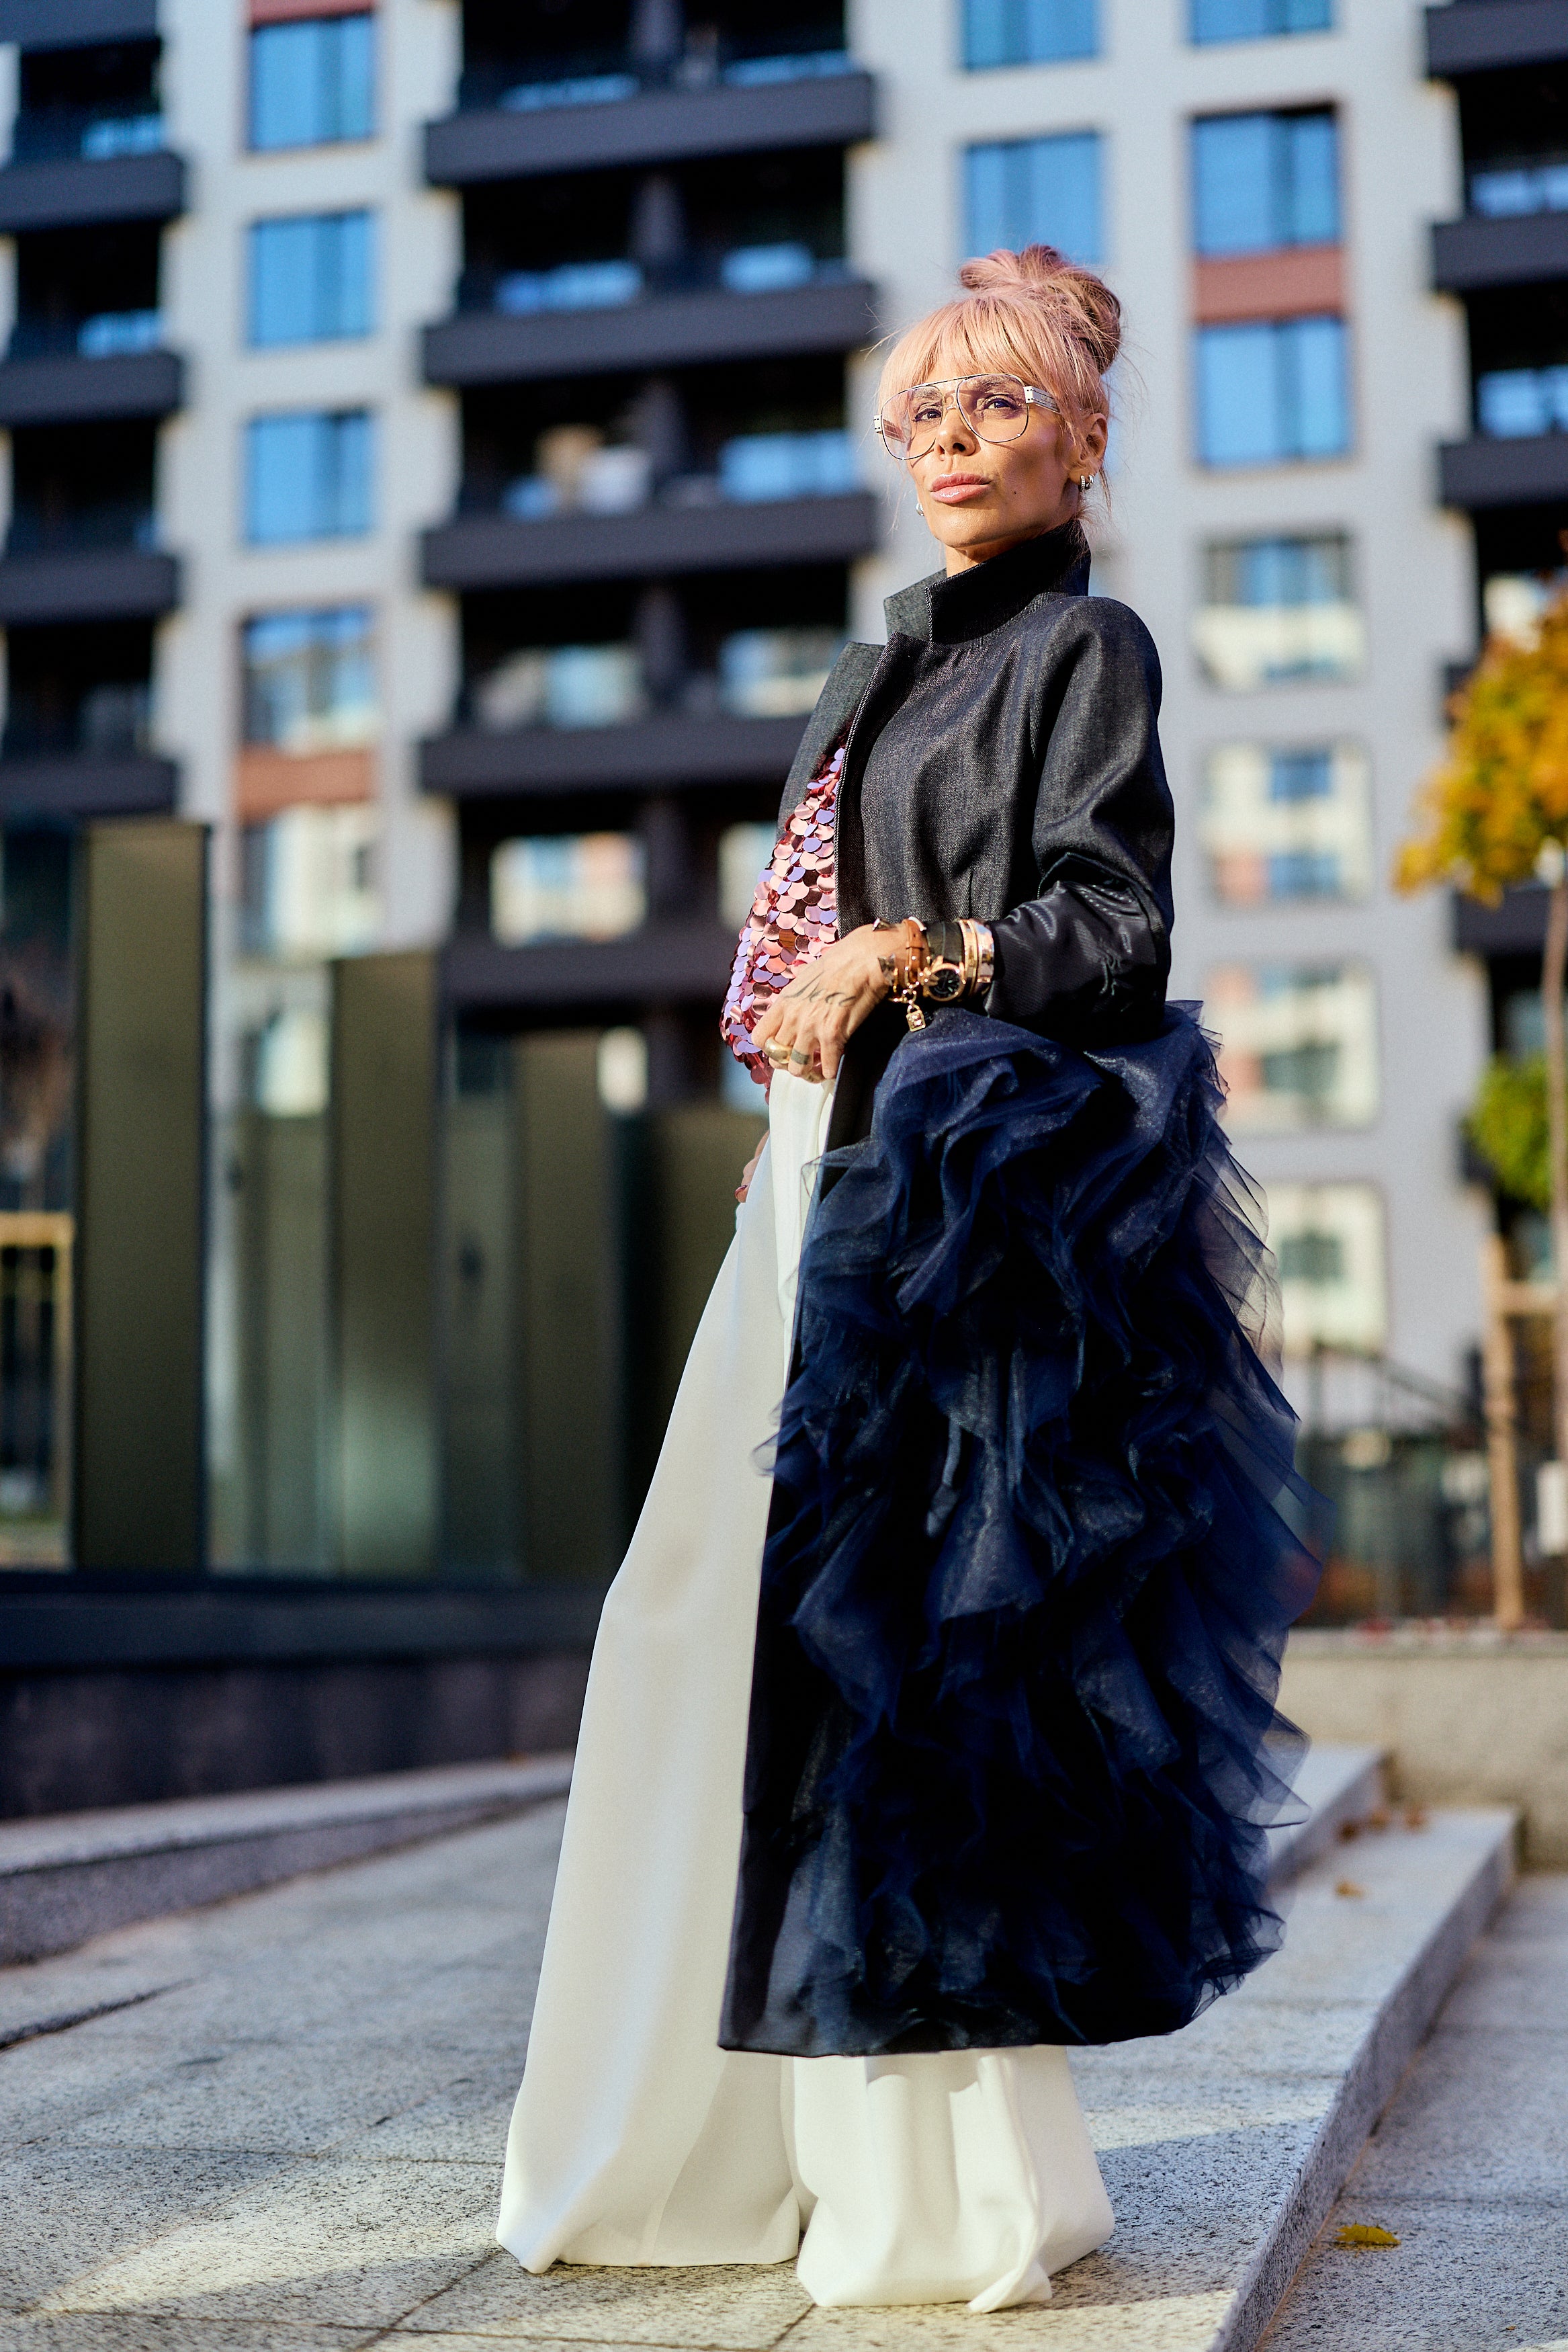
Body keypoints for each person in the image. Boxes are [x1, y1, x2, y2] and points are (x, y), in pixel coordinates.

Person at [496, 245, 1320, 2312]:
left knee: (898, 1680)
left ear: (1084, 437)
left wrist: (923, 952)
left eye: (1001, 405)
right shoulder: (869, 674)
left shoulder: (1088, 647)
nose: (955, 440)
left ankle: (943, 2195)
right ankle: (699, 2143)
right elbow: (779, 953)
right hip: (821, 1180)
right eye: (928, 413)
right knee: (693, 1620)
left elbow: (1108, 927)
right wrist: (818, 969)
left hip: (969, 1218)